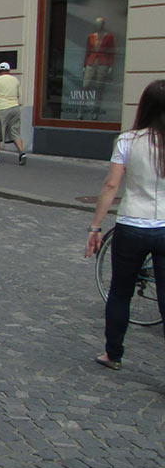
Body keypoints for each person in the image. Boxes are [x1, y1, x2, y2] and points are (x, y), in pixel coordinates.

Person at [85, 80, 165, 369]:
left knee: (120, 292)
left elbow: (111, 185)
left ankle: (113, 353)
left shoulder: (128, 141)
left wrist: (95, 227)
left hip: (132, 224)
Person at [0, 61, 26, 165]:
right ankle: (22, 153)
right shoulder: (15, 80)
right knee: (15, 131)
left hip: (1, 108)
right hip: (15, 107)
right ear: (9, 70)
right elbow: (18, 95)